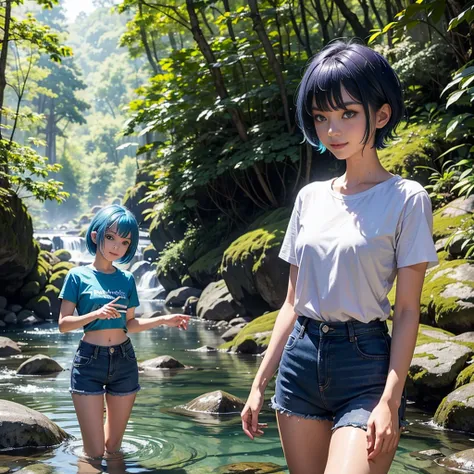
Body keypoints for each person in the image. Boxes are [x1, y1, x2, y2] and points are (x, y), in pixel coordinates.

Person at [241, 39, 439, 474]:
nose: (333, 130)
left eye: (348, 113)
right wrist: (258, 383)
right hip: (300, 364)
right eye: (321, 117)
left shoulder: (406, 198)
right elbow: (291, 302)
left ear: (381, 114)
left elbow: (407, 311)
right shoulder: (310, 198)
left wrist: (390, 400)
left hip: (365, 366)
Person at [59, 204, 190, 461]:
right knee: (94, 453)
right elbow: (63, 324)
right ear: (96, 236)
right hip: (89, 362)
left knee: (114, 449)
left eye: (124, 242)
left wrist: (164, 319)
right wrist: (95, 314)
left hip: (124, 360)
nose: (116, 247)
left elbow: (130, 324)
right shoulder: (77, 276)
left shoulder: (127, 279)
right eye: (111, 237)